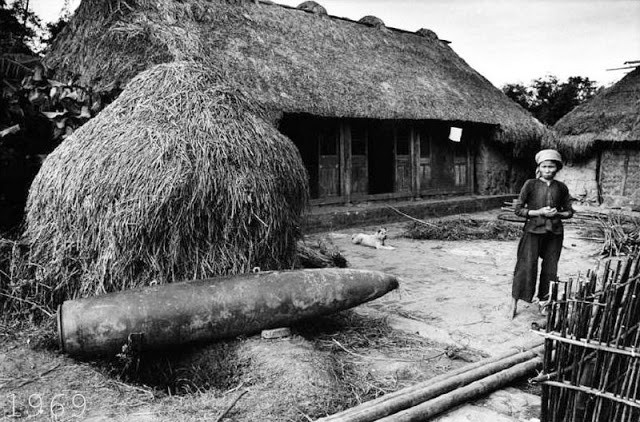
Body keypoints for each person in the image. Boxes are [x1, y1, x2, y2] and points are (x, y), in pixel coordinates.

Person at [509, 149, 573, 319]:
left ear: (557, 168)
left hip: (554, 233)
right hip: (533, 231)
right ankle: (515, 301)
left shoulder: (562, 188)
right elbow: (518, 210)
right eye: (544, 166)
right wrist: (538, 212)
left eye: (551, 167)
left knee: (550, 269)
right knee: (526, 266)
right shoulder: (530, 184)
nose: (548, 170)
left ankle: (545, 302)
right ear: (539, 167)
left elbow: (569, 212)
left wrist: (557, 214)